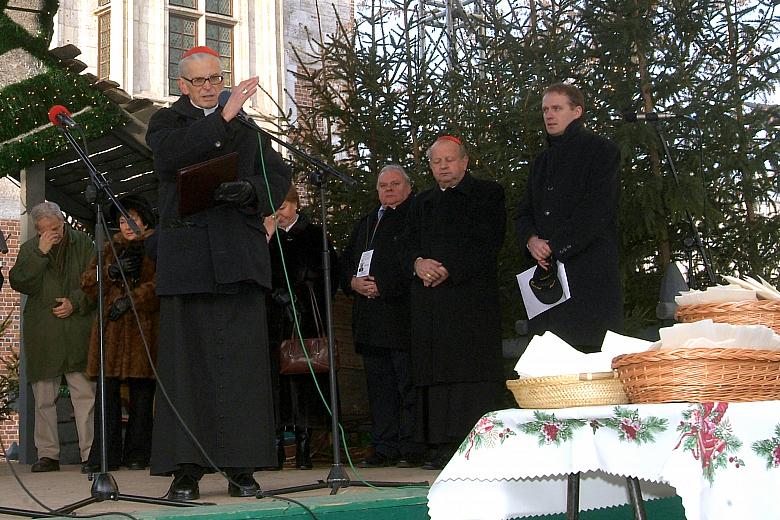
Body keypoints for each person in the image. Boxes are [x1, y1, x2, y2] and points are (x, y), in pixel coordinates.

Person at [145, 46, 291, 500]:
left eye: (215, 78)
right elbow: (170, 159)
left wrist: (249, 189)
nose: (210, 87)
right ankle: (185, 470)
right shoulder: (166, 122)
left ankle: (241, 467)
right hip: (189, 261)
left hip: (237, 259)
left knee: (242, 368)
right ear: (182, 85)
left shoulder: (249, 128)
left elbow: (278, 178)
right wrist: (222, 119)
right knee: (186, 369)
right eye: (200, 81)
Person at [399, 136, 506, 470]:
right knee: (435, 374)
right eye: (436, 162)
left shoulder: (488, 194)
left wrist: (449, 269)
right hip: (430, 305)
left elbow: (490, 241)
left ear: (464, 161)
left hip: (469, 300)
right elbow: (405, 245)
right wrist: (417, 264)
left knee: (468, 372)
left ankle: (474, 442)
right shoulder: (421, 203)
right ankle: (439, 444)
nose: (443, 167)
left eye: (449, 160)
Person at [515, 83, 623, 353]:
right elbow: (524, 211)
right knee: (550, 360)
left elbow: (597, 210)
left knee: (588, 357)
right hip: (549, 284)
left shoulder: (602, 151)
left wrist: (555, 245)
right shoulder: (541, 162)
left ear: (576, 112)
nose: (549, 115)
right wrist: (531, 240)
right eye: (545, 110)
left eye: (556, 108)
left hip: (588, 276)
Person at [341, 164, 423, 468]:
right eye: (383, 185)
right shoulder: (367, 223)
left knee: (407, 385)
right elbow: (346, 262)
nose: (388, 189)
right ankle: (384, 446)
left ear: (408, 187)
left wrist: (383, 287)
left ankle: (410, 446)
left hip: (400, 316)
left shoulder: (415, 217)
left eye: (394, 184)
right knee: (379, 389)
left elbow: (413, 262)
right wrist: (352, 282)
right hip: (370, 321)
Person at [9, 201, 96, 473]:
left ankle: (90, 454)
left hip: (76, 330)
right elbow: (20, 282)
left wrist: (75, 302)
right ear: (37, 230)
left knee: (84, 395)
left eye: (56, 229)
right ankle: (48, 454)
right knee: (44, 398)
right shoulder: (29, 249)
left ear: (62, 222)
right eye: (45, 231)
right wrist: (39, 253)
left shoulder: (83, 243)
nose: (52, 235)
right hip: (44, 334)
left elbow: (95, 282)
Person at [80, 195, 158, 472]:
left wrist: (130, 300)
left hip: (142, 332)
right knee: (107, 395)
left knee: (141, 396)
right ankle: (104, 455)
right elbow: (87, 283)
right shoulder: (108, 248)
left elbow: (158, 286)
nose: (127, 225)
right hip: (110, 334)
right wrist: (110, 271)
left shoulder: (154, 247)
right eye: (123, 220)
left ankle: (138, 452)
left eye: (133, 219)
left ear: (144, 220)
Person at [264, 186, 338, 470]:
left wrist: (302, 291)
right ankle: (277, 447)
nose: (279, 213)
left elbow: (328, 273)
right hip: (275, 321)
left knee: (304, 382)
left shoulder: (314, 235)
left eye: (283, 206)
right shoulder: (269, 237)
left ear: (295, 204)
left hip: (304, 320)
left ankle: (305, 444)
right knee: (277, 384)